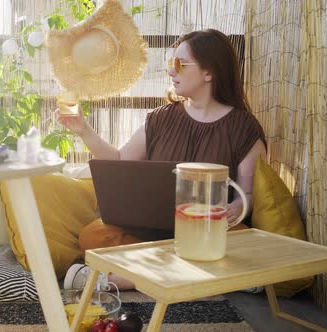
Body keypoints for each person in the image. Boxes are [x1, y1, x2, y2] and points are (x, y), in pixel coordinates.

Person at [56, 29, 267, 292]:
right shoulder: (159, 118)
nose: (170, 72)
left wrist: (235, 210)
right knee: (93, 235)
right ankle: (216, 278)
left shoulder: (244, 128)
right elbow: (120, 160)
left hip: (206, 235)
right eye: (170, 63)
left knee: (246, 244)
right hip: (149, 234)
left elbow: (247, 193)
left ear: (209, 72)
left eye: (179, 64)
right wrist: (83, 130)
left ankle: (117, 281)